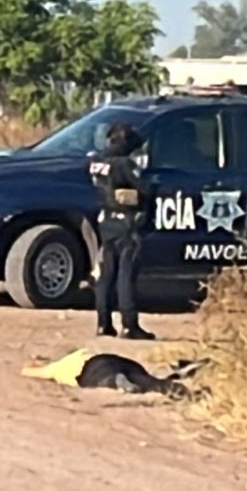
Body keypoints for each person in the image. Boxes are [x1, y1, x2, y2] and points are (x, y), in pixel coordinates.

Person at [89, 122, 155, 340]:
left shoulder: (96, 163)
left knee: (106, 273)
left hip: (106, 221)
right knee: (126, 273)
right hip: (126, 222)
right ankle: (129, 325)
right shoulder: (123, 164)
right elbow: (143, 189)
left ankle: (103, 323)